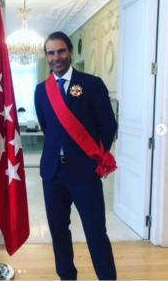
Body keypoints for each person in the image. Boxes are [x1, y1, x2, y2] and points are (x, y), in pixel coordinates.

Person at [34, 31, 117, 280]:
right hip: (52, 173)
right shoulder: (41, 90)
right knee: (59, 231)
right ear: (46, 56)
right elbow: (47, 128)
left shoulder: (91, 84)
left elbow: (108, 126)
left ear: (70, 52)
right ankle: (66, 277)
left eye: (60, 51)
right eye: (50, 53)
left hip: (85, 173)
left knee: (95, 232)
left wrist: (96, 156)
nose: (56, 57)